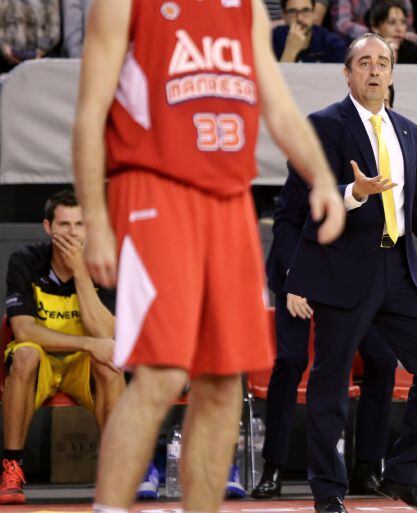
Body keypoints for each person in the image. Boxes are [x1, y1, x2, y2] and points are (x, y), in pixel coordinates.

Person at [71, 0, 345, 511]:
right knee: (162, 371)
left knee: (222, 381)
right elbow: (90, 113)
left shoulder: (247, 10)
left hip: (230, 201)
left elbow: (279, 105)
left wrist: (323, 178)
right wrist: (96, 220)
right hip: (155, 189)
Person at [284, 33, 417, 513]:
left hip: (397, 267)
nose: (375, 70)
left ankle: (402, 474)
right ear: (347, 73)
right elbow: (306, 195)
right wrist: (355, 192)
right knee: (331, 383)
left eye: (382, 62)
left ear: (393, 73)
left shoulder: (407, 130)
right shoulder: (324, 125)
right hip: (343, 268)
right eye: (364, 63)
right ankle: (327, 493)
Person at [253, 167, 397, 499]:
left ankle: (367, 467)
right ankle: (273, 466)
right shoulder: (315, 152)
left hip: (351, 275)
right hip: (298, 270)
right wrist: (297, 279)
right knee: (290, 360)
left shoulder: (383, 154)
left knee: (382, 358)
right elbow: (287, 223)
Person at [0, 190, 124, 505]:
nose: (71, 233)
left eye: (79, 225)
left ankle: (115, 470)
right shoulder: (25, 260)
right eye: (64, 224)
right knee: (25, 352)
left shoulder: (104, 266)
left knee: (110, 362)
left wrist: (81, 273)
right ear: (47, 227)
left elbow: (108, 334)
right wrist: (88, 342)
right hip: (41, 363)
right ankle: (12, 467)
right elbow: (23, 329)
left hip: (81, 366)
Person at [273, 0, 347, 63]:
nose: (299, 18)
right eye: (292, 11)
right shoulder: (271, 40)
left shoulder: (334, 45)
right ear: (284, 15)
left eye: (305, 11)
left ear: (313, 13)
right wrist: (290, 51)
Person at [0, 0, 61, 74]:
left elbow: (53, 28)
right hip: (5, 58)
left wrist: (42, 49)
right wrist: (3, 47)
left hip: (40, 58)